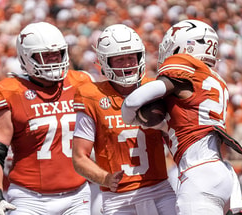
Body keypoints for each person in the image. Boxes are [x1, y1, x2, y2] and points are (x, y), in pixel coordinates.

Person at [121, 19, 242, 214]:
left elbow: (132, 102)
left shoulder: (187, 70)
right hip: (220, 172)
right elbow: (187, 122)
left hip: (199, 174)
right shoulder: (217, 80)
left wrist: (129, 116)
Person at [0, 22, 94, 215]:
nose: (53, 60)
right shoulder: (10, 92)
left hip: (77, 196)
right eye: (45, 56)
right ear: (26, 57)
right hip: (30, 199)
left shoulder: (80, 83)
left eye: (56, 54)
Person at [72, 24, 176, 215]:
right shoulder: (91, 95)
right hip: (119, 198)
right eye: (119, 59)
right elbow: (79, 157)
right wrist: (104, 178)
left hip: (160, 190)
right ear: (105, 62)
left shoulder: (155, 89)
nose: (128, 64)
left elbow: (177, 137)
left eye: (131, 57)